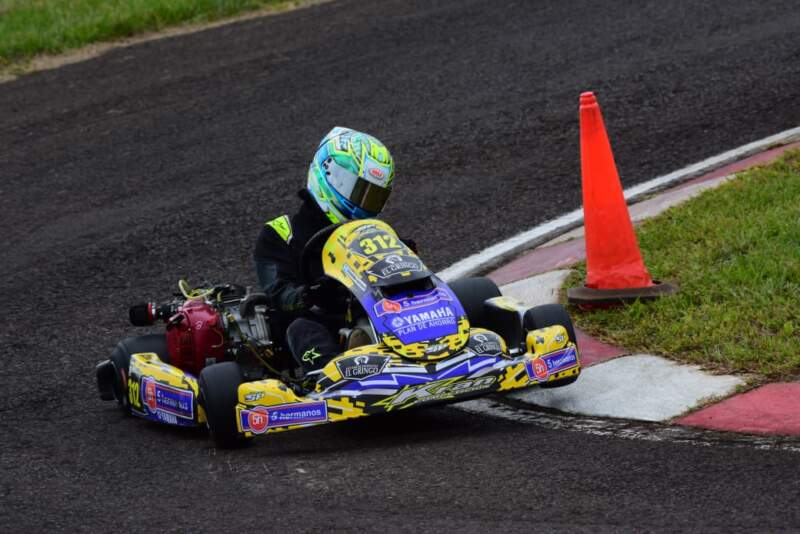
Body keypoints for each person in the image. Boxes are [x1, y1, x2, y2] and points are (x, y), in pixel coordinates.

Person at [254, 127, 396, 374]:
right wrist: (313, 294)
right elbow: (280, 293)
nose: (364, 205)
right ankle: (340, 374)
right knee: (302, 330)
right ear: (330, 174)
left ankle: (441, 346)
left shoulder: (368, 232)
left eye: (372, 197)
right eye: (359, 191)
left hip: (373, 310)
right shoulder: (281, 233)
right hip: (317, 320)